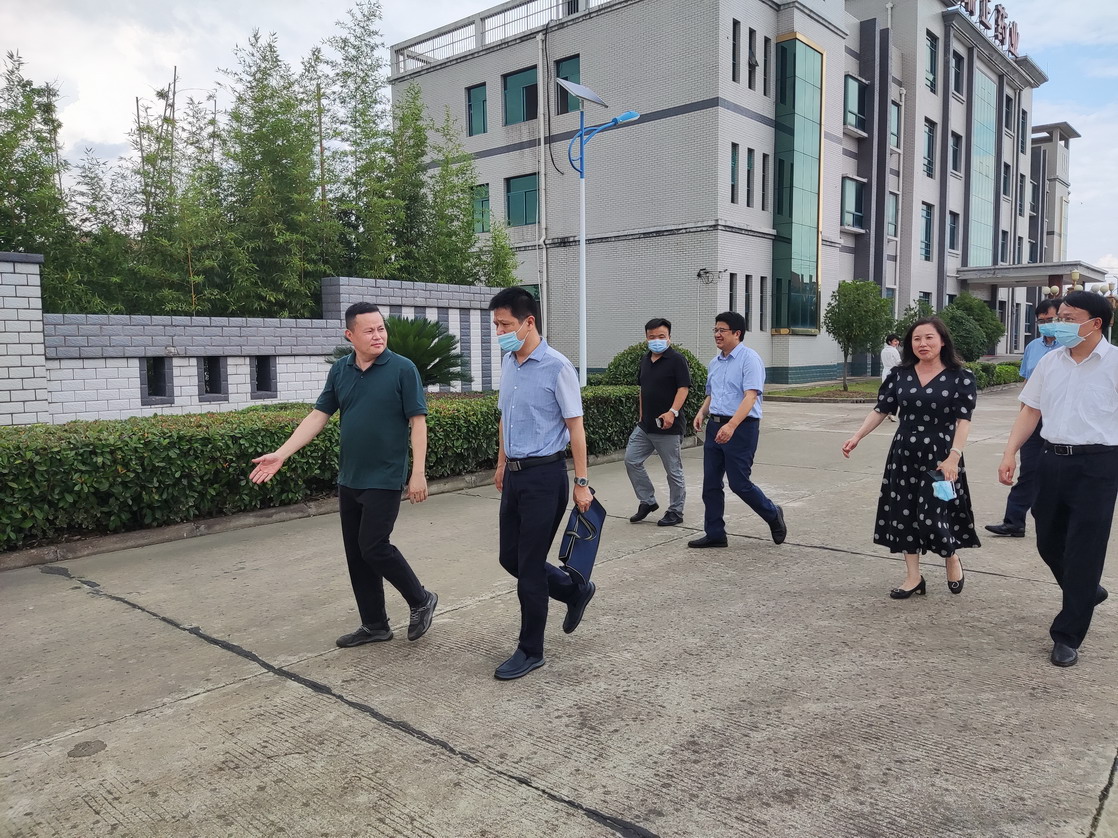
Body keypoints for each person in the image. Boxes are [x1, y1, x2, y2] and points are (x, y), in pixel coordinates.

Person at [249, 302, 438, 647]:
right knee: (357, 554)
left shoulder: (403, 369)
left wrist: (418, 473)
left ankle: (421, 599)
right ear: (350, 335)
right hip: (350, 477)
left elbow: (418, 422)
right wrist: (281, 454)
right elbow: (318, 416)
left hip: (385, 477)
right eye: (369, 330)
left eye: (381, 328)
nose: (378, 335)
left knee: (374, 547)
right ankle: (375, 625)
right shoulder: (340, 370)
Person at [997, 290, 1117, 668]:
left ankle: (1067, 635)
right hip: (1052, 459)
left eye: (1068, 318)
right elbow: (1030, 411)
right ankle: (1086, 591)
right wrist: (1009, 452)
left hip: (1099, 465)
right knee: (1048, 539)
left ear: (1095, 323)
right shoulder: (1050, 361)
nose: (1058, 325)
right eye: (1057, 318)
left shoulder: (1115, 363)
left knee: (1085, 548)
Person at [489, 287, 597, 681]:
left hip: (545, 477)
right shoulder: (509, 363)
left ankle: (531, 649)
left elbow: (576, 428)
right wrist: (501, 462)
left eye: (505, 324)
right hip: (515, 475)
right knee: (510, 558)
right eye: (496, 325)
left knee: (530, 567)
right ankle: (573, 590)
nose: (499, 332)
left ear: (529, 322)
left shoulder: (557, 367)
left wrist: (582, 482)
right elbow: (505, 417)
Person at [841, 317, 978, 597]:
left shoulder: (960, 376)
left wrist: (954, 456)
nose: (922, 344)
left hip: (941, 457)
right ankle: (913, 577)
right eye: (916, 339)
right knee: (903, 513)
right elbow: (881, 409)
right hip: (904, 455)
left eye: (929, 338)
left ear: (942, 341)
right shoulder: (900, 374)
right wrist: (857, 436)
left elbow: (963, 420)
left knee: (935, 514)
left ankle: (951, 555)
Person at [688, 311, 786, 549]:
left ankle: (772, 513)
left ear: (737, 333)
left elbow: (750, 396)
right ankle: (715, 533)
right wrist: (702, 412)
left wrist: (732, 425)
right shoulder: (715, 362)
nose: (717, 334)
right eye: (715, 330)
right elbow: (713, 393)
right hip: (715, 426)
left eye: (722, 330)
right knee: (711, 483)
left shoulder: (749, 359)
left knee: (739, 483)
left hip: (741, 428)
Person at [985, 299, 1062, 537]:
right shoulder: (1033, 347)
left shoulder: (1069, 347)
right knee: (1029, 471)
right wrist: (1022, 416)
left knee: (1058, 474)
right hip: (1034, 419)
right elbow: (1028, 384)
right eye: (1041, 321)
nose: (1046, 325)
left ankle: (1054, 521)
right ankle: (1014, 521)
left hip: (1061, 420)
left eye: (1051, 320)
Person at [624, 318, 691, 527]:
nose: (656, 340)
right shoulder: (645, 360)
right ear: (646, 338)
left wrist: (672, 412)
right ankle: (648, 501)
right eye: (652, 337)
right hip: (646, 426)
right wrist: (641, 415)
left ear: (669, 337)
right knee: (631, 460)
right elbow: (643, 389)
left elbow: (683, 388)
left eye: (661, 336)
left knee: (673, 471)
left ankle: (676, 511)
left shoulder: (677, 360)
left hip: (668, 427)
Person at [880, 334, 902, 422]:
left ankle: (886, 412)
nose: (897, 343)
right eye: (895, 341)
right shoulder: (894, 350)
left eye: (897, 341)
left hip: (885, 372)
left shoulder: (883, 350)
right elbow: (898, 362)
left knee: (886, 392)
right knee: (894, 393)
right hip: (893, 372)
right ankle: (891, 413)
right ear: (890, 342)